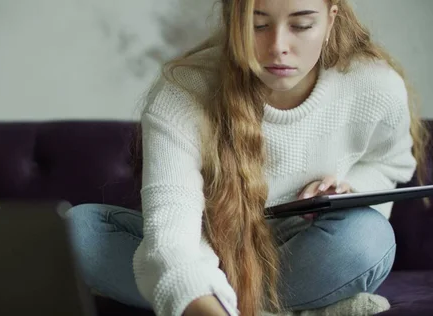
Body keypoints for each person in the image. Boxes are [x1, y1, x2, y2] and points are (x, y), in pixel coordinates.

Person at [65, 0, 429, 315]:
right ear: (231, 18)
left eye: (302, 25)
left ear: (330, 19)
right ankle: (296, 310)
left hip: (299, 247)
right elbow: (172, 237)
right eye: (258, 25)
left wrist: (350, 188)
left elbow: (390, 164)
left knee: (368, 237)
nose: (278, 47)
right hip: (206, 246)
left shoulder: (374, 85)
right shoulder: (182, 90)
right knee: (78, 230)